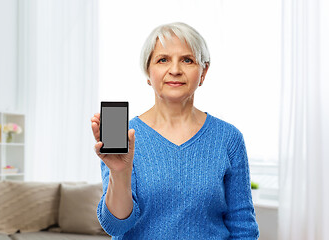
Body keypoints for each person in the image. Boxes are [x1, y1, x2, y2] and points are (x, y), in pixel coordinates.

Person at [90, 22, 259, 239]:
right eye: (163, 60)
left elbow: (243, 224)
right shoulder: (126, 135)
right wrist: (119, 172)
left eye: (187, 60)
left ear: (203, 71)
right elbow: (115, 227)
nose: (176, 70)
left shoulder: (228, 138)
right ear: (148, 72)